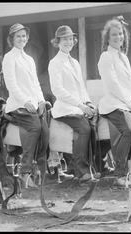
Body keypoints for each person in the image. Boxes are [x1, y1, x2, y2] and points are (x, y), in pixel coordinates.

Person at [97, 16, 131, 189]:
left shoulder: (123, 58)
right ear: (107, 38)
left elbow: (130, 84)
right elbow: (114, 85)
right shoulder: (106, 57)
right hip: (113, 103)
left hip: (126, 102)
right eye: (114, 35)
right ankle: (119, 174)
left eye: (120, 34)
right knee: (128, 131)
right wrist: (130, 103)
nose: (118, 37)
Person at [48, 25, 101, 184]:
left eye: (70, 39)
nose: (68, 42)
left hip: (78, 106)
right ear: (57, 42)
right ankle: (81, 171)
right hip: (64, 108)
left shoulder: (75, 62)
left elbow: (81, 87)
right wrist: (79, 105)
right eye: (65, 39)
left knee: (93, 125)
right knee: (84, 128)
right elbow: (57, 90)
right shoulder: (55, 62)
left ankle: (94, 168)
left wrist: (88, 103)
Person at [2, 23, 49, 188]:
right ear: (12, 39)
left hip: (32, 104)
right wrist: (26, 102)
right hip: (17, 104)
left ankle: (38, 172)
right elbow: (12, 85)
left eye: (24, 36)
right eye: (18, 36)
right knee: (35, 127)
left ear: (27, 38)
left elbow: (35, 84)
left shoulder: (29, 59)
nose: (21, 39)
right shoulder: (9, 57)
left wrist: (41, 100)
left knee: (44, 130)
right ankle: (24, 171)